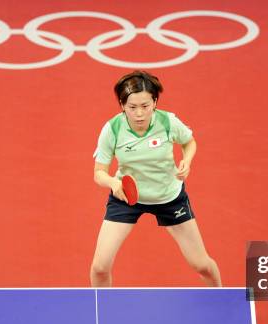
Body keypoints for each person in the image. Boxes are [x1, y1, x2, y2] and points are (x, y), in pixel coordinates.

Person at [90, 71, 222, 288]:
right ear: (122, 105)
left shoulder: (168, 122)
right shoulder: (112, 128)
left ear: (155, 102)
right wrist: (114, 183)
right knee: (100, 267)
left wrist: (186, 161)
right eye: (132, 107)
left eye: (145, 105)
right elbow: (99, 173)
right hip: (127, 197)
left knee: (202, 265)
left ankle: (220, 298)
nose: (140, 113)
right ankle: (101, 312)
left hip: (169, 197)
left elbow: (189, 142)